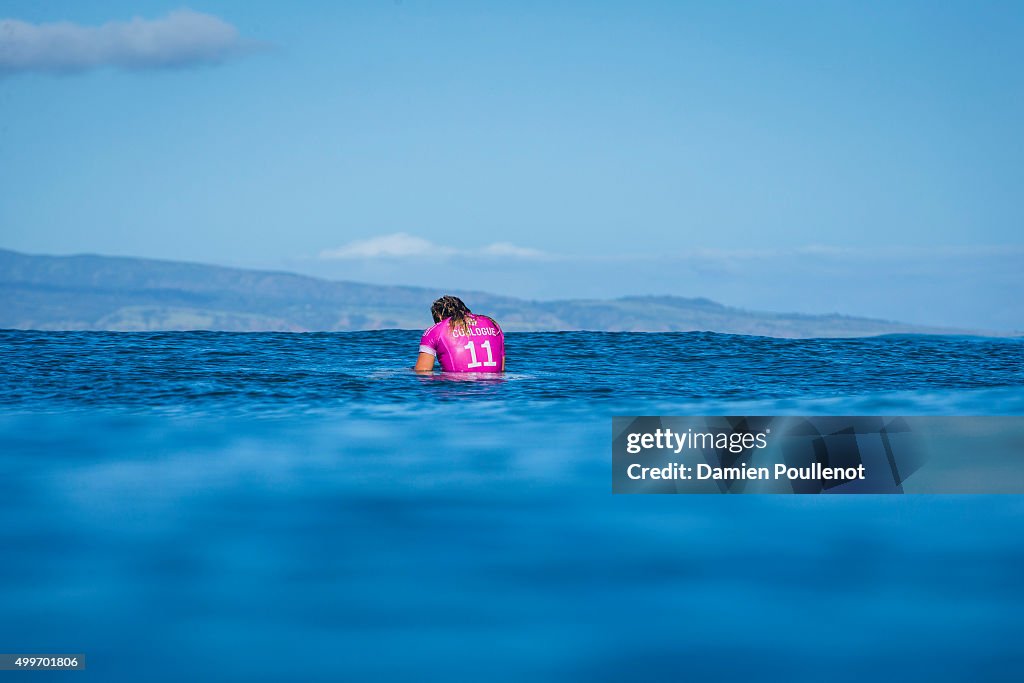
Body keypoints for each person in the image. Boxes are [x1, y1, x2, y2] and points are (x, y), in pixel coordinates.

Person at [414, 295, 505, 373]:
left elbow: (422, 372)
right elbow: (501, 370)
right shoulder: (493, 325)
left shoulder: (435, 331)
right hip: (493, 389)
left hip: (456, 388)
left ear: (439, 316)